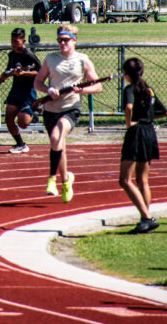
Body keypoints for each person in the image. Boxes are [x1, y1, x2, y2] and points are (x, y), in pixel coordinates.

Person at [33, 24, 102, 203]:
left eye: (66, 40)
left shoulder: (83, 60)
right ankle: (65, 180)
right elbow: (38, 82)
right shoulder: (50, 59)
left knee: (57, 136)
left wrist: (81, 91)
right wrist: (48, 90)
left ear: (74, 40)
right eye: (59, 40)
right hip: (50, 109)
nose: (62, 43)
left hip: (70, 108)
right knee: (57, 144)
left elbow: (97, 86)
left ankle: (51, 178)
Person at [119, 58, 160, 234]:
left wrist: (129, 123)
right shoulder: (148, 90)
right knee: (142, 180)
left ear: (126, 74)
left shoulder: (130, 89)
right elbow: (163, 111)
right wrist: (147, 119)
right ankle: (145, 218)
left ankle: (146, 217)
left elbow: (128, 107)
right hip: (150, 131)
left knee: (125, 180)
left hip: (136, 133)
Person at [0, 27, 40, 154]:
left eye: (16, 42)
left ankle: (34, 108)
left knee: (23, 123)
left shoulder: (29, 55)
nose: (13, 44)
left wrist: (24, 73)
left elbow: (40, 72)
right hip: (15, 90)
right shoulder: (12, 54)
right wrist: (1, 78)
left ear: (23, 41)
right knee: (8, 119)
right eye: (12, 41)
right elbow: (10, 69)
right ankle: (20, 144)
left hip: (27, 92)